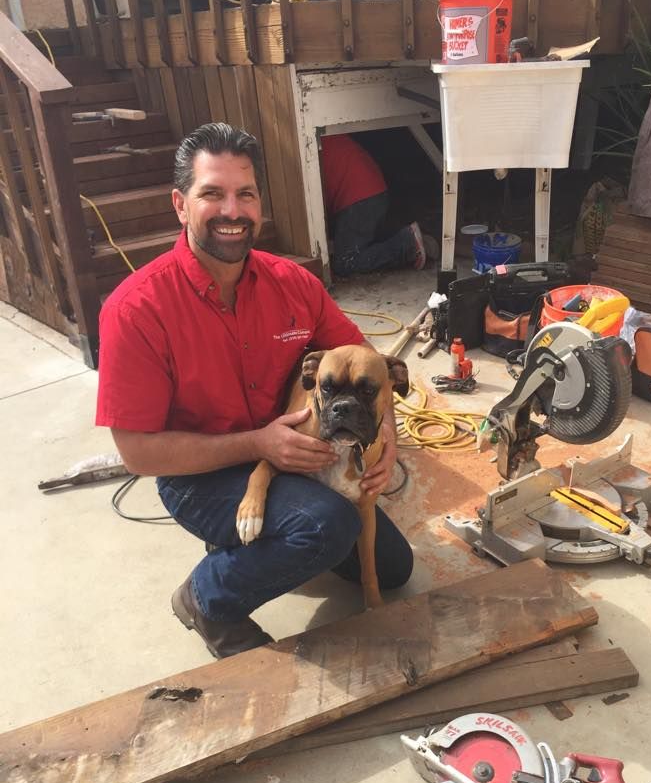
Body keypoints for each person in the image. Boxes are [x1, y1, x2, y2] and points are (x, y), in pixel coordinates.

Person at [95, 122, 413, 659]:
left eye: (245, 194)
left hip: (294, 453)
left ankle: (278, 531)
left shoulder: (294, 284)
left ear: (260, 205)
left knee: (394, 570)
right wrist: (259, 446)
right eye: (212, 194)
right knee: (327, 527)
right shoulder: (136, 309)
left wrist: (388, 437)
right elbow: (137, 452)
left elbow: (370, 370)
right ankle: (205, 597)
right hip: (200, 473)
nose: (232, 211)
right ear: (181, 204)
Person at [320, 133, 436, 277]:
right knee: (356, 245)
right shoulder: (316, 136)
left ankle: (407, 244)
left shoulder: (304, 143)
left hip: (358, 197)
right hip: (370, 190)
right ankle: (418, 241)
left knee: (346, 263)